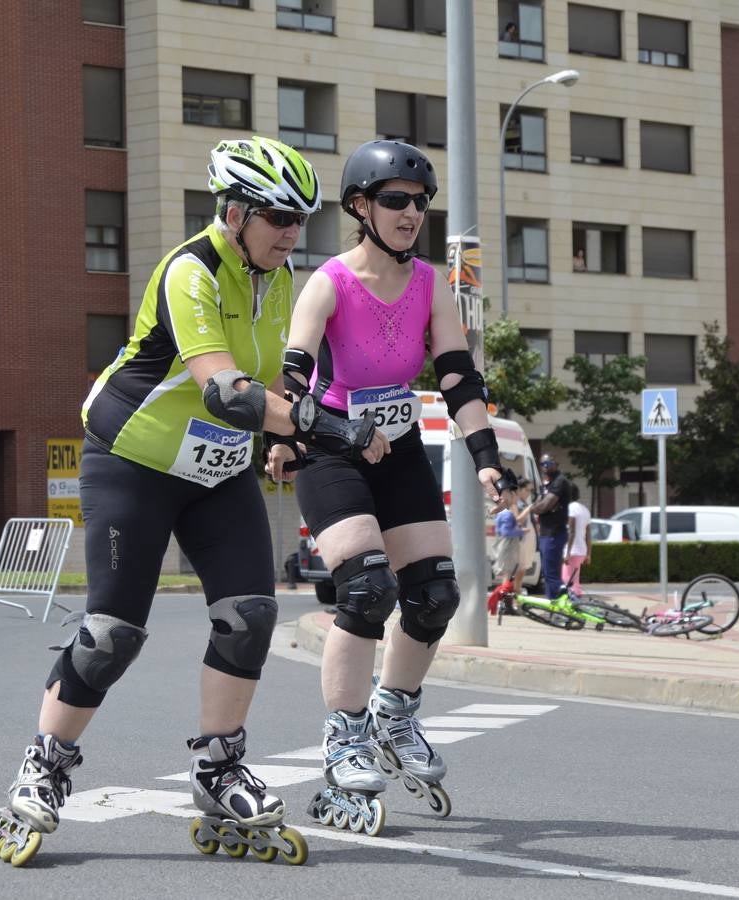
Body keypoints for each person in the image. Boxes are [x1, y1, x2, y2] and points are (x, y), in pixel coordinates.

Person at [0, 137, 377, 863]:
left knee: (250, 615)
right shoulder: (189, 271)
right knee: (111, 634)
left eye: (299, 219)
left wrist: (302, 431)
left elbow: (271, 386)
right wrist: (331, 426)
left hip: (216, 470)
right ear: (232, 212)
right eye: (275, 216)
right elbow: (226, 388)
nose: (290, 232)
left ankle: (218, 766)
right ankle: (43, 766)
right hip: (133, 459)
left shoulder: (277, 276)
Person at [268, 139, 515, 832]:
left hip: (400, 446)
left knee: (436, 592)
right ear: (360, 206)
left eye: (421, 203)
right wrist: (284, 436)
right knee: (367, 588)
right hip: (332, 449)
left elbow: (460, 376)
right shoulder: (328, 282)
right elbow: (293, 375)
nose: (412, 214)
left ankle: (394, 712)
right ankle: (344, 736)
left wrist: (486, 457)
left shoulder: (433, 285)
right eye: (397, 201)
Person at [527, 454, 572, 600]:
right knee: (548, 572)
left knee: (551, 573)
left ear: (556, 464)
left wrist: (533, 508)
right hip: (547, 533)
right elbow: (541, 503)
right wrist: (538, 506)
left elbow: (545, 505)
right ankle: (554, 603)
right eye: (543, 464)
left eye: (549, 463)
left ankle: (566, 601)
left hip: (554, 532)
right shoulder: (549, 484)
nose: (545, 467)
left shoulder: (560, 482)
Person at [487, 486, 529, 616]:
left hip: (507, 547)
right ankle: (506, 606)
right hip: (507, 547)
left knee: (508, 576)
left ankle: (506, 605)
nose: (516, 498)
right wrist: (521, 531)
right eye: (515, 495)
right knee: (507, 576)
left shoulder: (504, 512)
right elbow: (506, 532)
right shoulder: (507, 512)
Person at [561, 483, 592, 590]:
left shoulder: (570, 508)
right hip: (581, 550)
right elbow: (588, 534)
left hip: (572, 550)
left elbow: (571, 531)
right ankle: (576, 598)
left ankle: (574, 600)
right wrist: (589, 554)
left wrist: (567, 552)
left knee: (567, 579)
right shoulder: (585, 510)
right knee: (575, 579)